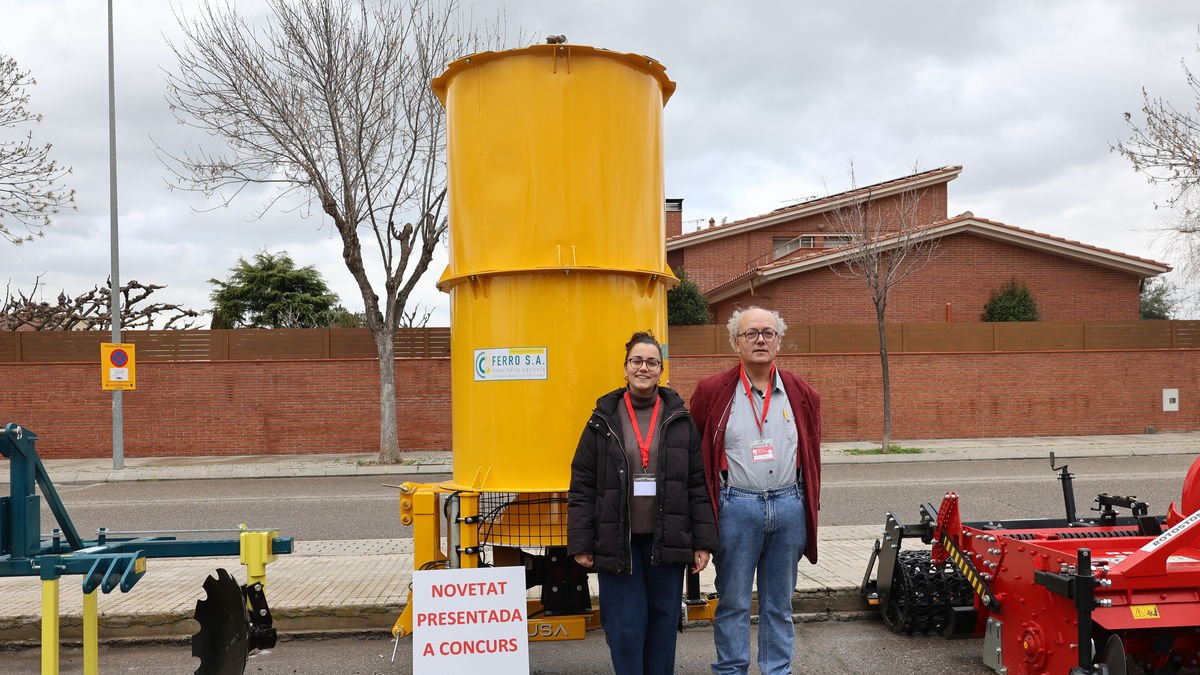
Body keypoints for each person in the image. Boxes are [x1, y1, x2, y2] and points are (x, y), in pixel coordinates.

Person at [568, 330, 717, 675]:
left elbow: (697, 484)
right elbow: (582, 485)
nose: (643, 368)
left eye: (651, 362)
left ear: (661, 370)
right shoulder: (601, 420)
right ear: (625, 368)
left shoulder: (680, 420)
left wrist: (703, 543)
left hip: (667, 539)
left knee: (663, 623)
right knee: (625, 625)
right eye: (637, 361)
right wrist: (581, 542)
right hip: (617, 540)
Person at [689, 306, 822, 675]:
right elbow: (697, 456)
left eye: (768, 332)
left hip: (788, 504)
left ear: (779, 341)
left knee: (778, 604)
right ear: (736, 342)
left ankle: (777, 670)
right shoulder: (712, 391)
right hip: (736, 507)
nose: (760, 339)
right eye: (751, 333)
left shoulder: (802, 393)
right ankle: (731, 670)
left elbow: (812, 456)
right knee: (732, 601)